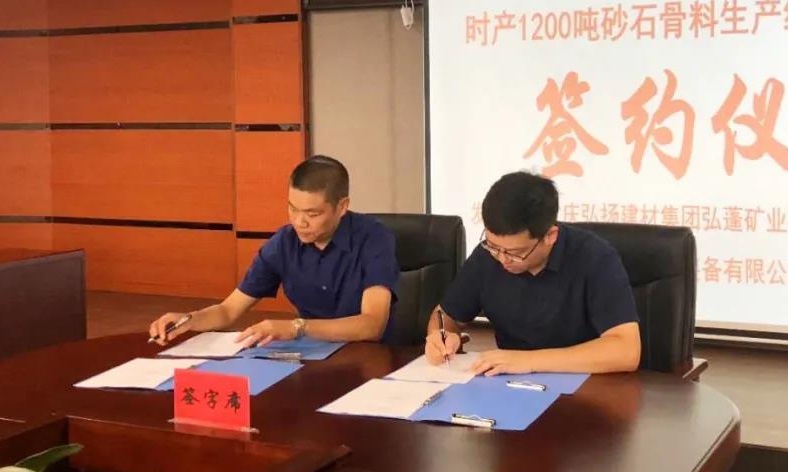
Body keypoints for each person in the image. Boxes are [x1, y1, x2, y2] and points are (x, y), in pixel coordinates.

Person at [149, 155, 398, 348]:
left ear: (342, 207)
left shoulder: (374, 238)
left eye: (312, 214)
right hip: (310, 355)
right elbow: (228, 310)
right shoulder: (283, 243)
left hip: (368, 358)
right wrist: (188, 319)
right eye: (293, 209)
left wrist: (297, 327)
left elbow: (372, 324)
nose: (299, 222)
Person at [425, 171, 640, 374]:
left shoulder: (594, 257)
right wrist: (440, 337)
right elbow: (445, 315)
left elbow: (626, 350)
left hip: (586, 385)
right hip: (509, 384)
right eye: (493, 246)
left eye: (516, 253)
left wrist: (528, 361)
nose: (502, 259)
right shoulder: (487, 256)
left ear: (550, 236)